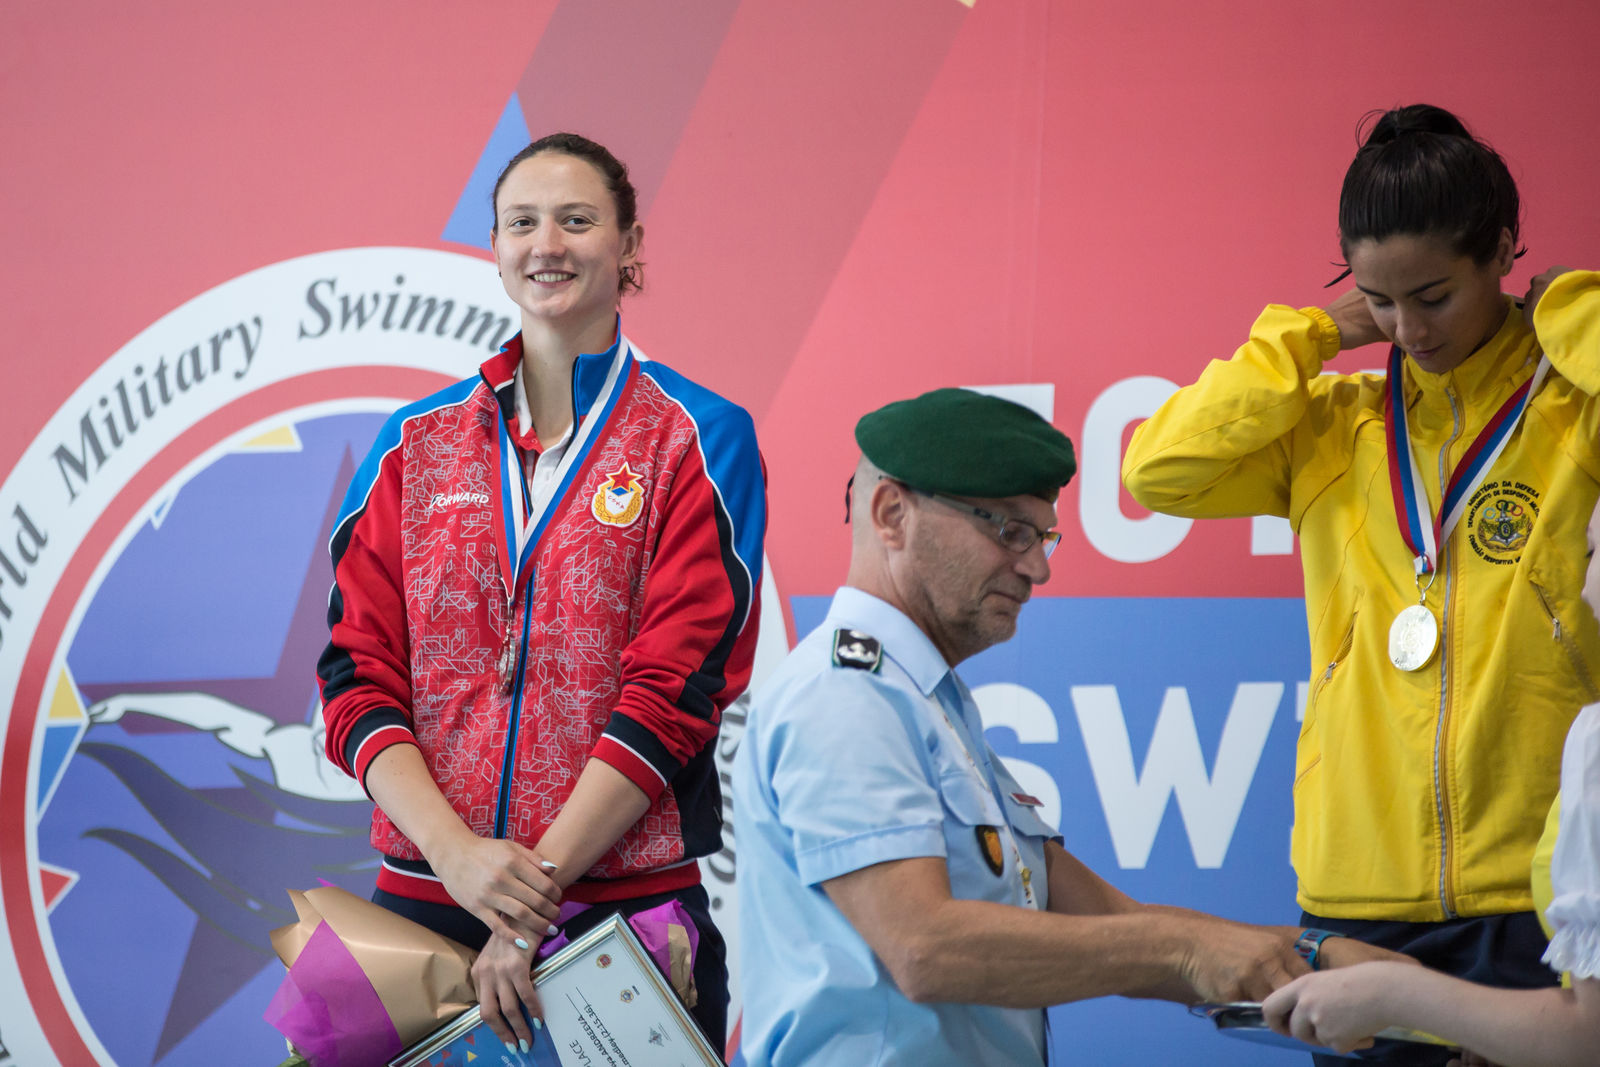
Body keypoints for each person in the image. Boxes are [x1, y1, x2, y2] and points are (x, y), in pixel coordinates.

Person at [1122, 104, 1600, 1065]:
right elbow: (1156, 471)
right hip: (1356, 898)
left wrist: (1568, 309)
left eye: (1433, 294)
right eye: (1378, 301)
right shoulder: (1336, 426)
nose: (1408, 329)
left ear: (1503, 250)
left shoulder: (1573, 409)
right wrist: (1306, 335)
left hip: (1539, 890)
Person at [734, 387, 1395, 1067]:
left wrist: (1312, 958)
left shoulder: (927, 702)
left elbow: (1108, 921)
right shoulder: (846, 692)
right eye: (1009, 531)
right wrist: (1185, 947)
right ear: (892, 514)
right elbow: (924, 946)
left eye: (1042, 536)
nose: (1038, 567)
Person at [316, 132, 766, 1056]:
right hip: (420, 909)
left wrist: (526, 904)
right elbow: (356, 674)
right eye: (522, 222)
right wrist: (454, 856)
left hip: (621, 922)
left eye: (577, 219)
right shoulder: (413, 443)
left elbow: (675, 692)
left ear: (629, 246)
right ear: (494, 246)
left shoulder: (698, 436)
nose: (546, 244)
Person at [1261, 494, 1600, 1067]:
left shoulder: (1593, 742)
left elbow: (1589, 1038)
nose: (1580, 587)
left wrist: (1394, 996)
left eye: (1589, 552)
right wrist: (1505, 1031)